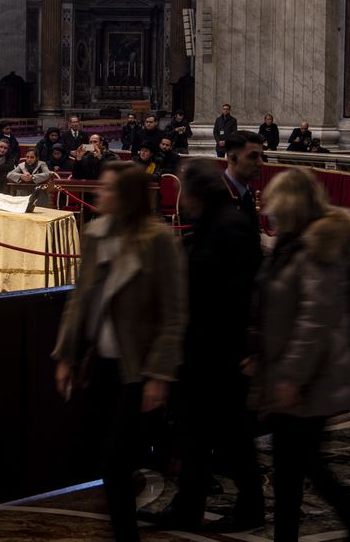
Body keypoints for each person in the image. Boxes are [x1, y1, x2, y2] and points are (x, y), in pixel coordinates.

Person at [52, 163, 188, 542]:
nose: (101, 196)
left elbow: (173, 314)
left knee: (116, 459)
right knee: (106, 455)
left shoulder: (158, 241)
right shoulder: (96, 234)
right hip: (99, 364)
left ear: (127, 195)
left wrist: (160, 374)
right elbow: (81, 300)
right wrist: (66, 355)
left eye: (109, 189)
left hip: (137, 368)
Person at [247, 168, 350, 542]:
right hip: (293, 374)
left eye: (274, 200)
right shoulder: (291, 243)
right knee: (304, 464)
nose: (267, 207)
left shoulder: (318, 247)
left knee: (295, 466)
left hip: (310, 379)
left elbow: (314, 321)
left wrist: (291, 375)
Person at [139, 159, 264, 533]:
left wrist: (249, 348)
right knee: (196, 434)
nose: (182, 202)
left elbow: (245, 291)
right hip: (203, 349)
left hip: (222, 351)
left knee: (232, 436)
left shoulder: (230, 226)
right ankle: (188, 505)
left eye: (184, 194)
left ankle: (251, 506)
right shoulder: (213, 224)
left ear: (195, 195)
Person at [223, 131, 265, 234]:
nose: (260, 163)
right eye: (253, 156)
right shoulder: (217, 194)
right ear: (232, 158)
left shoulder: (249, 193)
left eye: (261, 156)